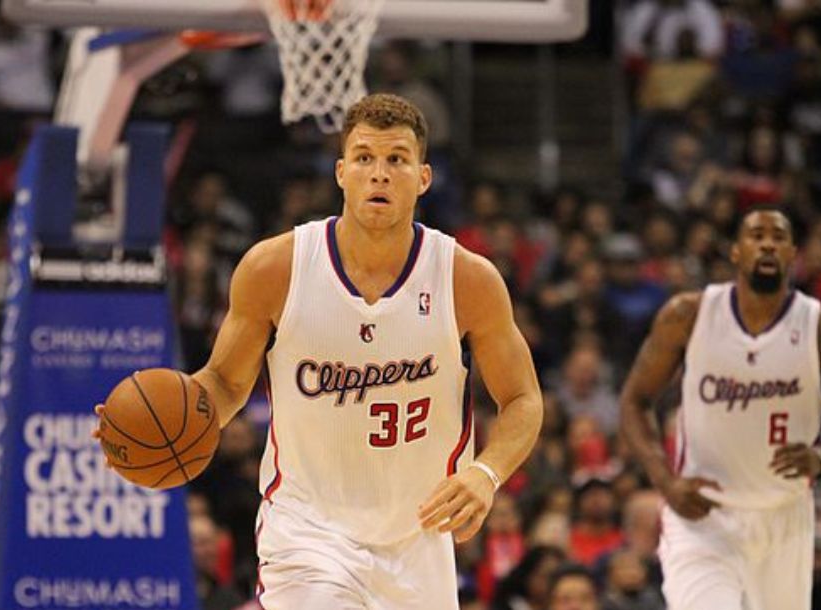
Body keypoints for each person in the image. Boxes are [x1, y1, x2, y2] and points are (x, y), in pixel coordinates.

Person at [97, 94, 543, 608]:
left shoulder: (467, 280)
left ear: (423, 177)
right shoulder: (276, 269)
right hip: (307, 529)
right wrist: (153, 424)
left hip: (419, 538)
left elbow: (523, 399)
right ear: (340, 172)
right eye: (364, 158)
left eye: (396, 159)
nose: (379, 174)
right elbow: (223, 383)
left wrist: (485, 474)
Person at [619, 207, 821, 610]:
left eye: (779, 236)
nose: (767, 243)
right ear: (736, 251)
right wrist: (665, 480)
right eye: (756, 234)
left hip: (784, 519)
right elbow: (634, 401)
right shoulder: (688, 316)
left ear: (792, 254)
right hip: (704, 517)